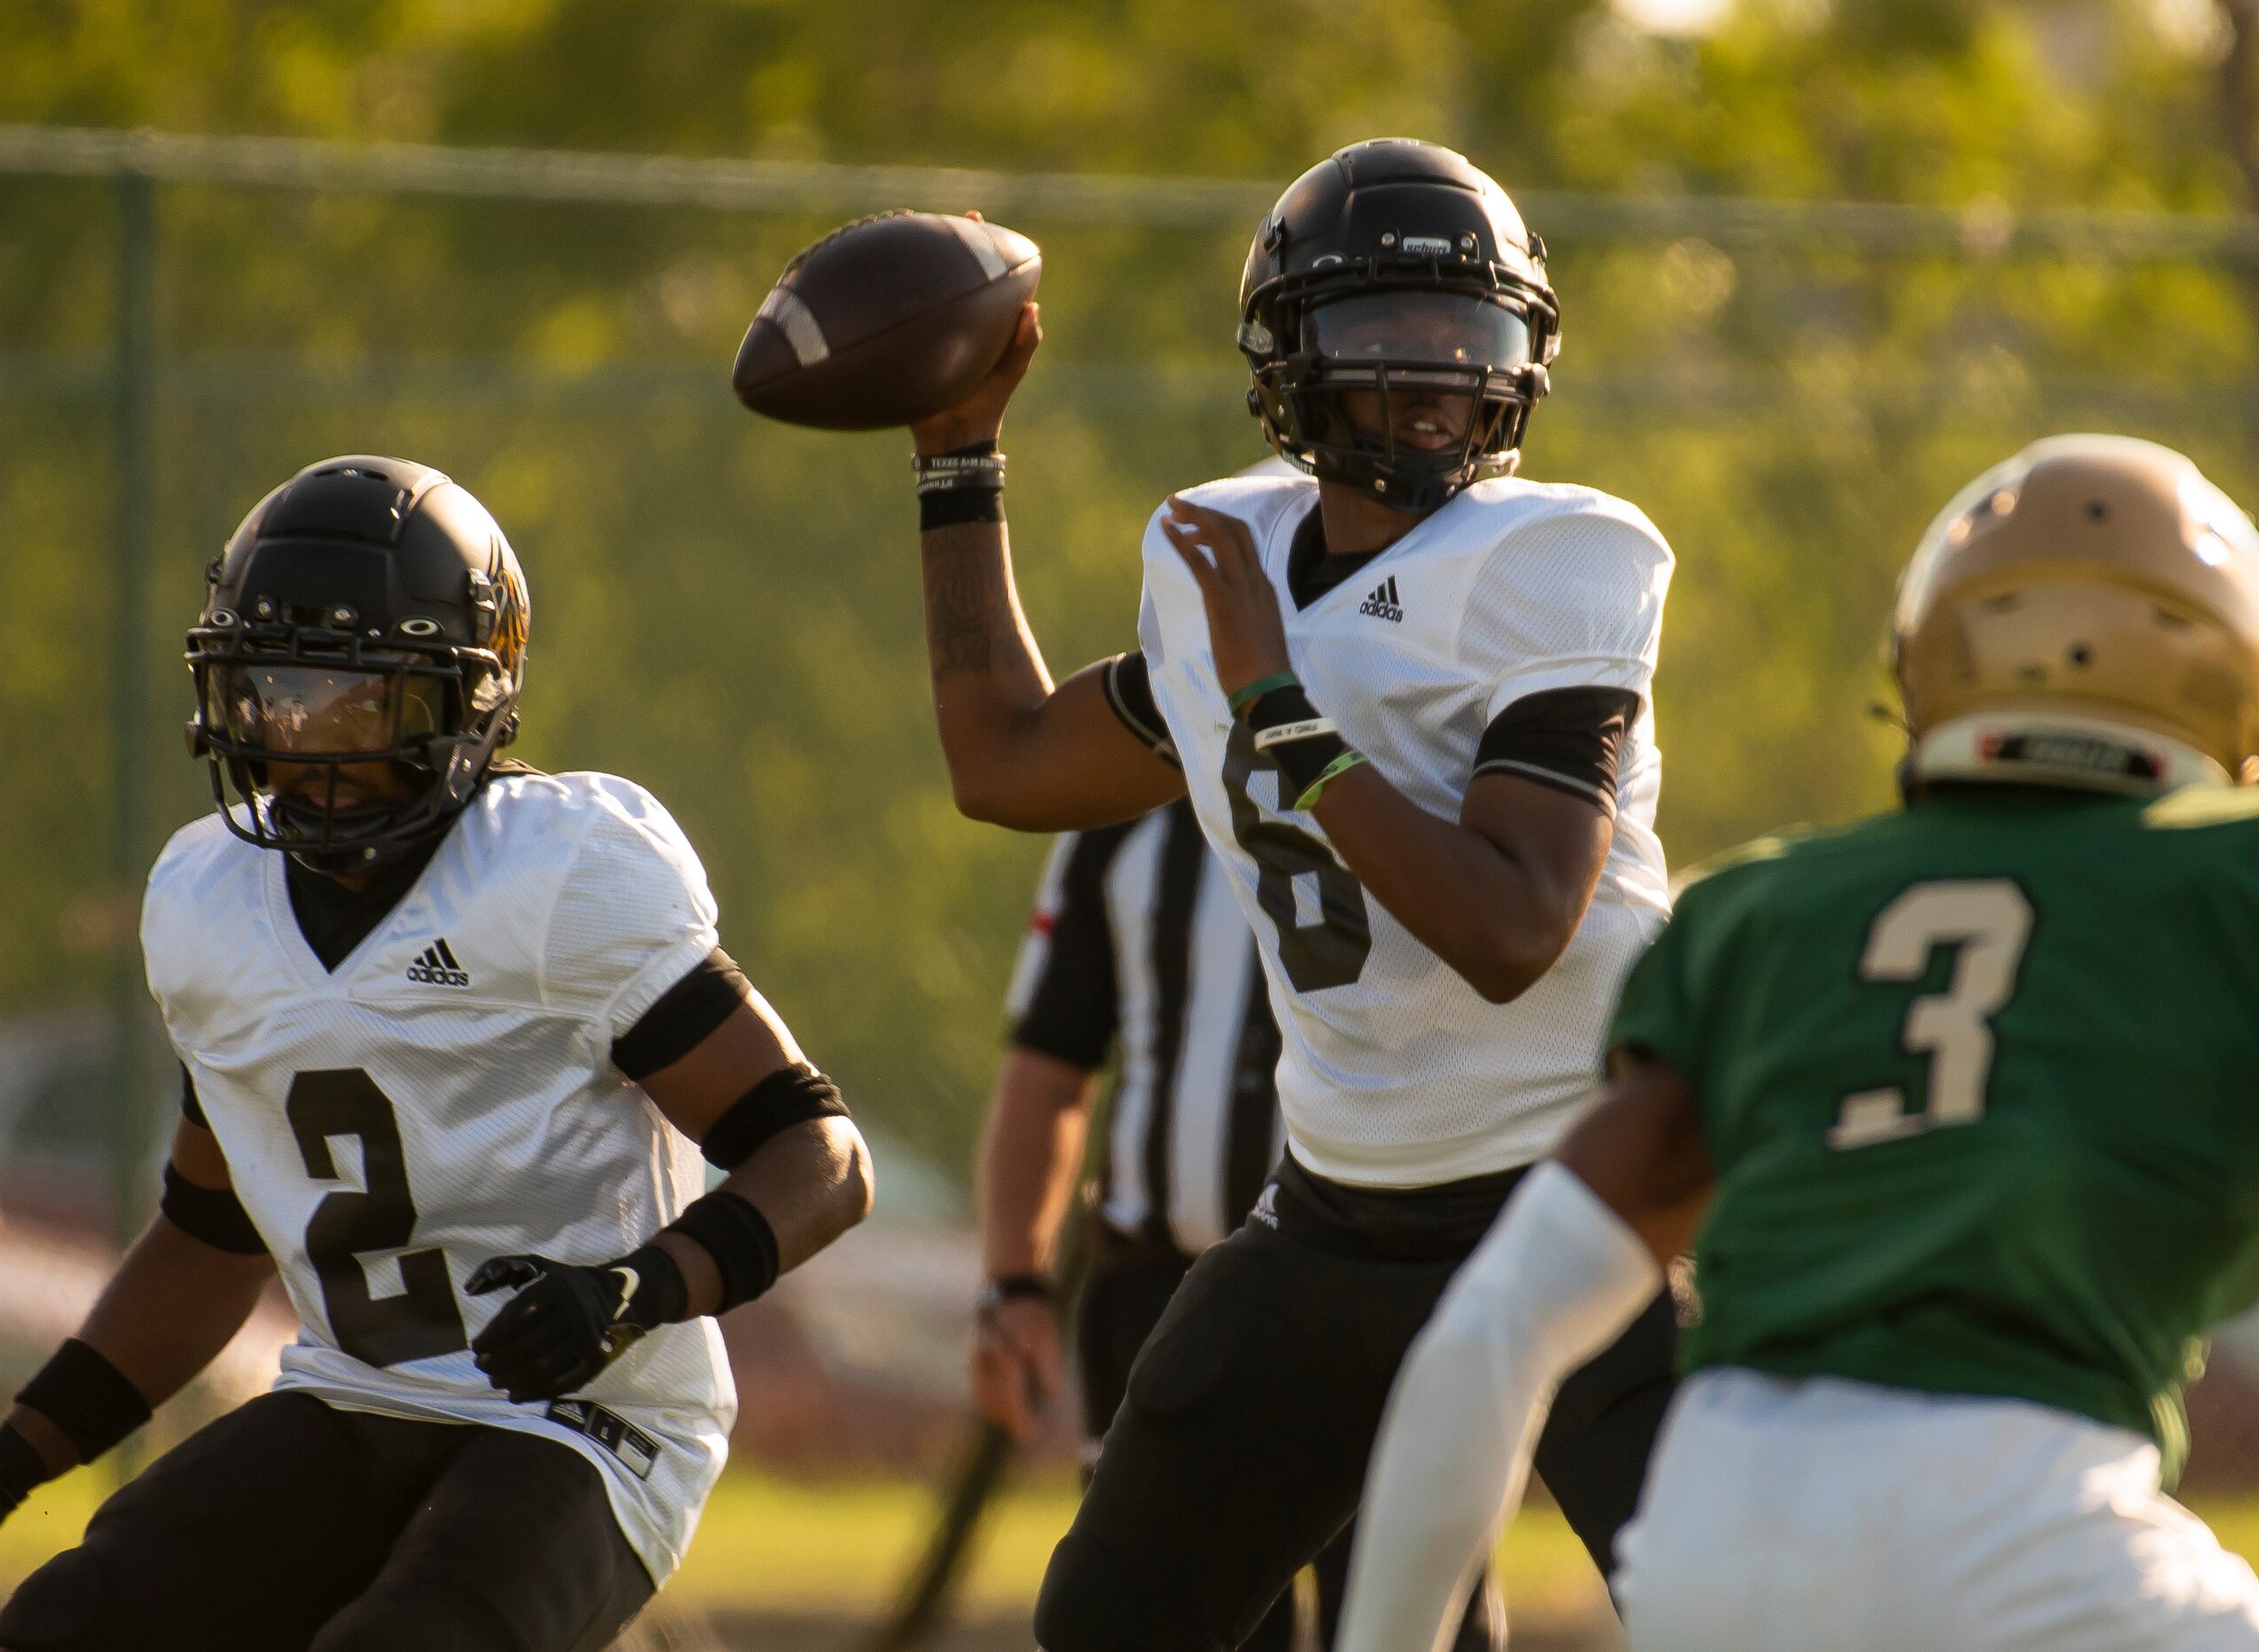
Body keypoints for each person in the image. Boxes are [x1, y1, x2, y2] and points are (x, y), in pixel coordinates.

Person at [0, 456, 874, 1652]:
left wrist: (635, 1287)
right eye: (271, 691)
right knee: (74, 1619)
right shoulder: (208, 898)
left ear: (465, 699)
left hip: (587, 1422)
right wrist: (0, 1467)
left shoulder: (558, 876)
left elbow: (819, 1156)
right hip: (353, 1396)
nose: (305, 736)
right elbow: (207, 1234)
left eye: (357, 698)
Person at [905, 137, 1681, 1651]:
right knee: (1112, 1621)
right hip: (1339, 1209)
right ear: (1288, 362)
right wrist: (953, 457)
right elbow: (1001, 763)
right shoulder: (1227, 549)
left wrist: (1276, 695)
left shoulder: (1556, 556)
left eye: (1469, 339)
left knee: (1740, 1602)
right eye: (1381, 337)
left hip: (1588, 1185)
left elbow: (1510, 927)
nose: (1434, 378)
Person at [1335, 434, 2259, 1652]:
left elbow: (1487, 1335)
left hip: (1715, 1550)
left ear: (1931, 657)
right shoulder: (2223, 883)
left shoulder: (1759, 911)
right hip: (2035, 1530)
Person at [973, 796, 1350, 1648]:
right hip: (1161, 1291)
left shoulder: (1413, 754)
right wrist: (1011, 1283)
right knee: (1143, 1618)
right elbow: (1049, 1060)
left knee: (1406, 1615)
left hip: (1378, 1286)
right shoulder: (1115, 804)